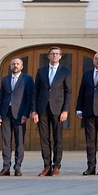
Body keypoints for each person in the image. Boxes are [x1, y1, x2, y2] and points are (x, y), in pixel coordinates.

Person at [32, 46, 71, 176]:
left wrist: (65, 110)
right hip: (42, 108)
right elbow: (35, 91)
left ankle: (56, 166)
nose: (54, 56)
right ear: (48, 56)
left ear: (60, 56)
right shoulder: (41, 71)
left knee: (57, 138)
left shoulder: (65, 71)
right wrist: (34, 111)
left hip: (58, 109)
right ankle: (46, 166)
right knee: (44, 138)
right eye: (52, 54)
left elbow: (68, 92)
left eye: (57, 54)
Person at [0, 57, 35, 176]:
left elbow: (29, 98)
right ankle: (6, 167)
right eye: (13, 64)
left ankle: (17, 167)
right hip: (5, 113)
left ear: (22, 67)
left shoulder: (27, 79)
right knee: (6, 141)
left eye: (17, 64)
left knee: (19, 141)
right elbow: (1, 97)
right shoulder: (5, 79)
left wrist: (26, 114)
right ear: (11, 66)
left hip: (19, 114)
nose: (15, 65)